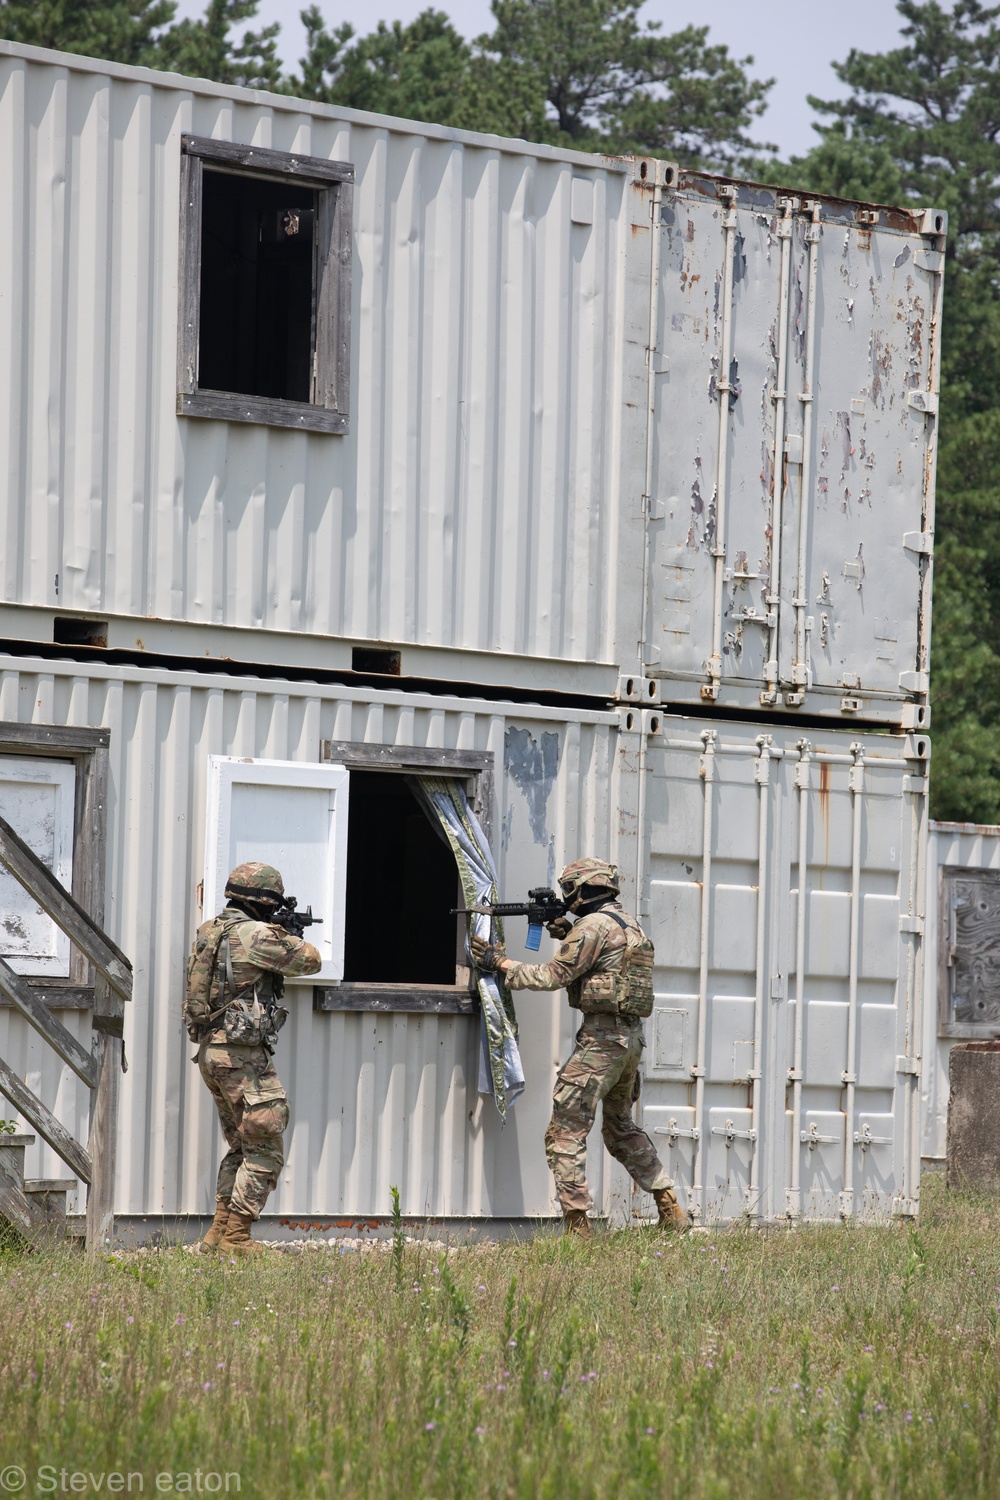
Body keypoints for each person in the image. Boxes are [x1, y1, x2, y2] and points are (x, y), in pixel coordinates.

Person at [471, 858, 688, 1240]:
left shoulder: (590, 927)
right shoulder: (626, 923)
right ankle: (669, 1204)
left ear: (582, 890)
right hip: (629, 1043)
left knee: (564, 1133)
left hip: (601, 1044)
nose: (567, 898)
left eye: (570, 891)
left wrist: (497, 962)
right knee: (620, 1128)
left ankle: (577, 1228)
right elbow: (603, 959)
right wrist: (564, 930)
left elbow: (551, 976)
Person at [183, 861, 321, 1256]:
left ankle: (217, 1234)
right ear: (263, 901)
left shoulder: (212, 929)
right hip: (242, 1059)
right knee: (266, 1148)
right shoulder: (256, 934)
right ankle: (236, 1239)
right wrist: (288, 933)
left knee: (242, 1146)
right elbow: (309, 960)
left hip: (214, 1053)